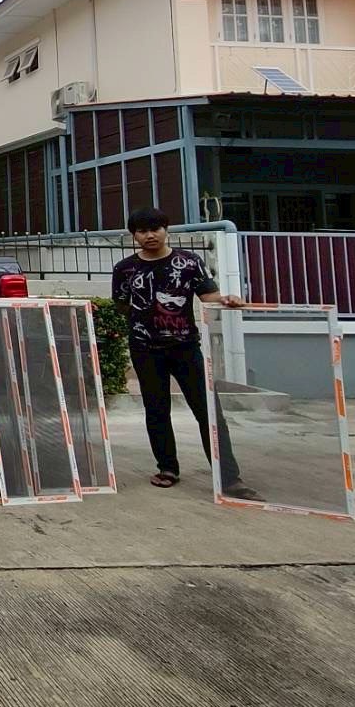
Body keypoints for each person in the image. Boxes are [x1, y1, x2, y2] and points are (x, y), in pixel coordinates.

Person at [111, 207, 261, 499]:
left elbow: (209, 296)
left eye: (155, 229)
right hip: (144, 350)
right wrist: (148, 320)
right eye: (142, 231)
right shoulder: (125, 268)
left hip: (185, 348)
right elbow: (121, 304)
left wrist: (227, 299)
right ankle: (167, 468)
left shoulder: (189, 262)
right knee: (157, 410)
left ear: (166, 230)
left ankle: (229, 478)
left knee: (209, 411)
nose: (150, 235)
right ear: (134, 235)